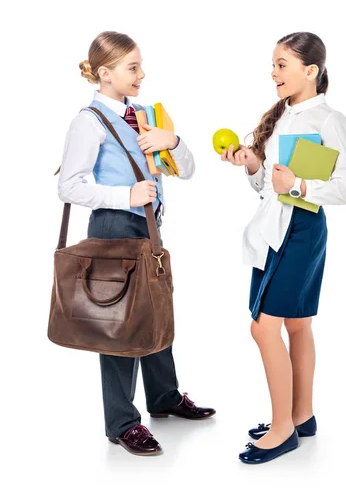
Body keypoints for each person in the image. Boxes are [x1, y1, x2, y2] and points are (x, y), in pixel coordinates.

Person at [58, 31, 215, 457]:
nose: (142, 74)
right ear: (105, 73)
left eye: (141, 65)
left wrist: (174, 142)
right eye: (133, 67)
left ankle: (163, 396)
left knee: (155, 309)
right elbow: (69, 186)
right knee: (119, 326)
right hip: (111, 227)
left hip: (149, 228)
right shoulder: (87, 122)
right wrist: (124, 197)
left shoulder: (147, 113)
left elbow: (186, 170)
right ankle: (122, 423)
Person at [221, 31, 346, 465]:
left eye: (282, 64)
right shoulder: (283, 116)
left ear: (310, 70)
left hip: (301, 229)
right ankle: (302, 416)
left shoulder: (329, 120)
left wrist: (298, 185)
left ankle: (283, 431)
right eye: (274, 64)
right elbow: (268, 188)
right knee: (296, 325)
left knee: (263, 327)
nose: (274, 72)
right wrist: (254, 165)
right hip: (276, 226)